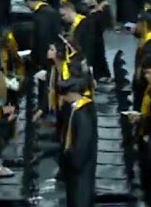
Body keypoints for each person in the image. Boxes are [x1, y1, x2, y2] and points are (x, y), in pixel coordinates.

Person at [57, 77, 97, 207]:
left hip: (80, 167)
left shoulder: (82, 114)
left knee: (79, 199)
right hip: (79, 166)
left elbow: (82, 144)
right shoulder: (81, 108)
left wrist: (71, 158)